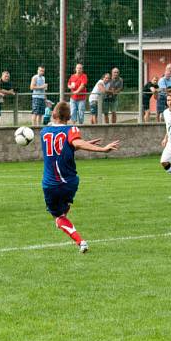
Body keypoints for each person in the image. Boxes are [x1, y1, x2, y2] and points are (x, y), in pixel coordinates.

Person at [40, 101, 120, 254]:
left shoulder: (44, 132)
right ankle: (63, 218)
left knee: (58, 218)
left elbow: (66, 145)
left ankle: (80, 241)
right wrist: (101, 149)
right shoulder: (72, 129)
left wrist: (84, 144)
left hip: (50, 184)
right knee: (62, 213)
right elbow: (73, 143)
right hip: (70, 182)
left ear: (54, 114)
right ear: (69, 116)